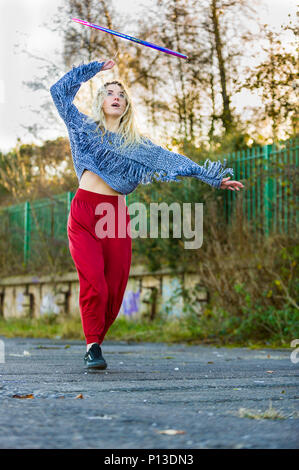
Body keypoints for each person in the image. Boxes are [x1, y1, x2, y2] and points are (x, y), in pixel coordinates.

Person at [50, 58, 244, 370]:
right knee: (95, 284)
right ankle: (92, 346)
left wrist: (210, 177)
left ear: (126, 105)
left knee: (114, 287)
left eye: (121, 94)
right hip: (84, 212)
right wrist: (93, 69)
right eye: (110, 92)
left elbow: (170, 160)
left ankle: (97, 336)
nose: (116, 96)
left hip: (114, 217)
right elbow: (58, 92)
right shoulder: (83, 128)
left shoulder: (137, 146)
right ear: (100, 101)